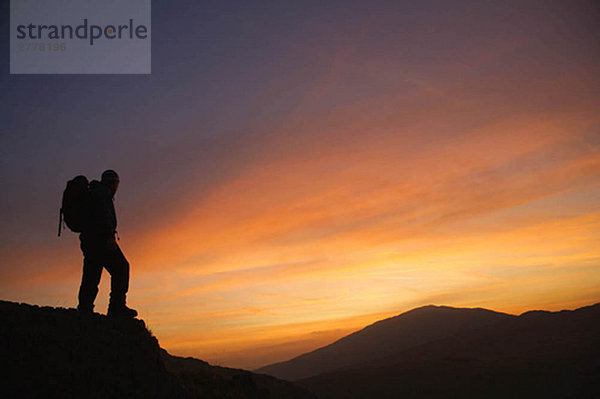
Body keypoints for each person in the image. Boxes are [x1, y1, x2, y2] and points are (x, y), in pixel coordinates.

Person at [77, 170, 137, 318]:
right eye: (117, 184)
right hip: (102, 240)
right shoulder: (102, 194)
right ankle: (116, 308)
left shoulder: (94, 193)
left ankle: (84, 309)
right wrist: (109, 236)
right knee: (122, 268)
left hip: (89, 241)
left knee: (91, 275)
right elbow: (103, 216)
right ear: (113, 183)